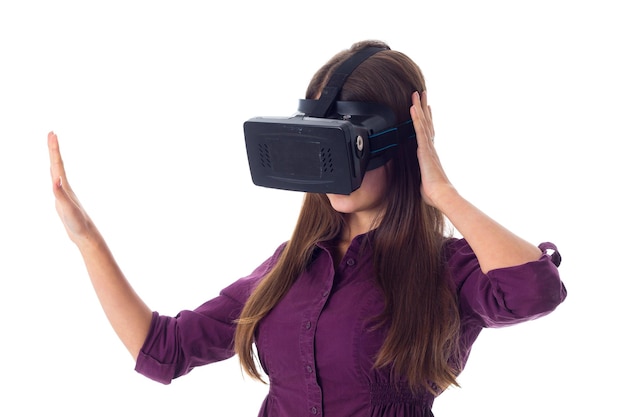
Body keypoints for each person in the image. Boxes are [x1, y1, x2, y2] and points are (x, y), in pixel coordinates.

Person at [48, 40, 566, 417]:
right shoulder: (290, 267)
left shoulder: (447, 268)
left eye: (349, 139)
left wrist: (443, 192)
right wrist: (86, 239)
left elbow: (534, 290)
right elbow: (163, 351)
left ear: (403, 142)